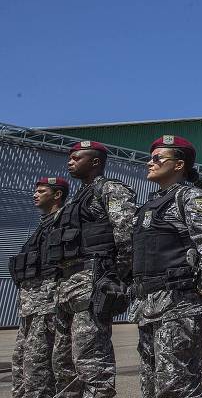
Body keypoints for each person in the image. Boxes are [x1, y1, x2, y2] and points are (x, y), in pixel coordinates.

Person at [131, 135, 202, 397]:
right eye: (150, 157)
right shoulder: (150, 205)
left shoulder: (191, 198)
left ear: (179, 165)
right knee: (151, 383)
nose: (149, 163)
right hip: (149, 304)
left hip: (180, 303)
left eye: (157, 158)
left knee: (176, 385)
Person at [50, 141, 136, 398]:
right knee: (64, 363)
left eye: (77, 158)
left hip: (92, 281)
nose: (70, 162)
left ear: (95, 162)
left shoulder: (110, 190)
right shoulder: (76, 200)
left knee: (92, 362)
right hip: (67, 285)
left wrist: (116, 276)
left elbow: (126, 235)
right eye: (70, 158)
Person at [10, 177, 75, 398]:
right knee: (20, 364)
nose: (35, 194)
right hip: (30, 308)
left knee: (38, 367)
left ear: (57, 195)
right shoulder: (43, 225)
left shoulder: (64, 222)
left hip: (46, 306)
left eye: (41, 191)